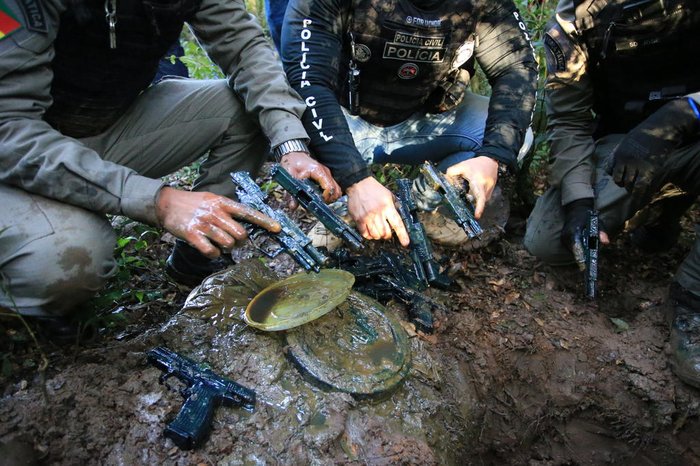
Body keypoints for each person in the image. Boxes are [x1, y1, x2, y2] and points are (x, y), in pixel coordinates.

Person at [0, 0, 340, 337]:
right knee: (73, 255)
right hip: (17, 148)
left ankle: (198, 256)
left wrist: (290, 142)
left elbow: (245, 48)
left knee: (245, 109)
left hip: (98, 126)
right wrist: (158, 201)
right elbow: (8, 127)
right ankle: (21, 313)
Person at [523, 0, 700, 386]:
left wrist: (686, 112)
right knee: (548, 241)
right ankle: (661, 208)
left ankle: (692, 296)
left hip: (694, 137)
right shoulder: (573, 24)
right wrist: (578, 201)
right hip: (623, 146)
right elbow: (569, 120)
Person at [280, 0, 538, 249]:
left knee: (512, 137)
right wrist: (355, 180)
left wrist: (492, 157)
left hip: (425, 119)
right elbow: (307, 80)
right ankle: (340, 214)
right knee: (295, 123)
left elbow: (517, 68)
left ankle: (419, 206)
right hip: (344, 120)